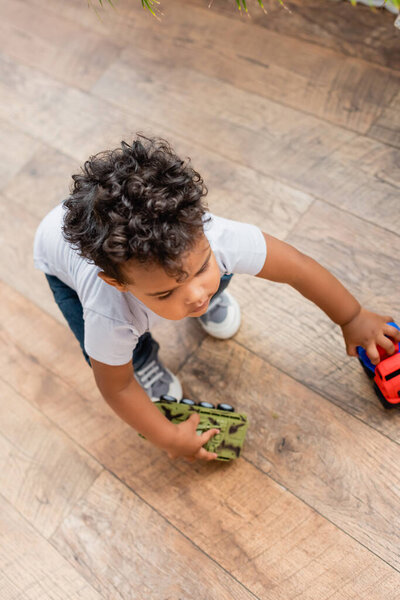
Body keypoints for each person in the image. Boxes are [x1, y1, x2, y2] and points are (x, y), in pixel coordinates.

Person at [34, 135, 400, 462]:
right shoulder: (108, 312)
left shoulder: (218, 237)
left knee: (219, 275)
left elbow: (297, 268)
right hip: (61, 267)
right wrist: (168, 438)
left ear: (202, 228)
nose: (194, 295)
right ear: (118, 283)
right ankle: (142, 356)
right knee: (119, 347)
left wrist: (351, 317)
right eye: (165, 292)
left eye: (198, 268)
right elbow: (116, 387)